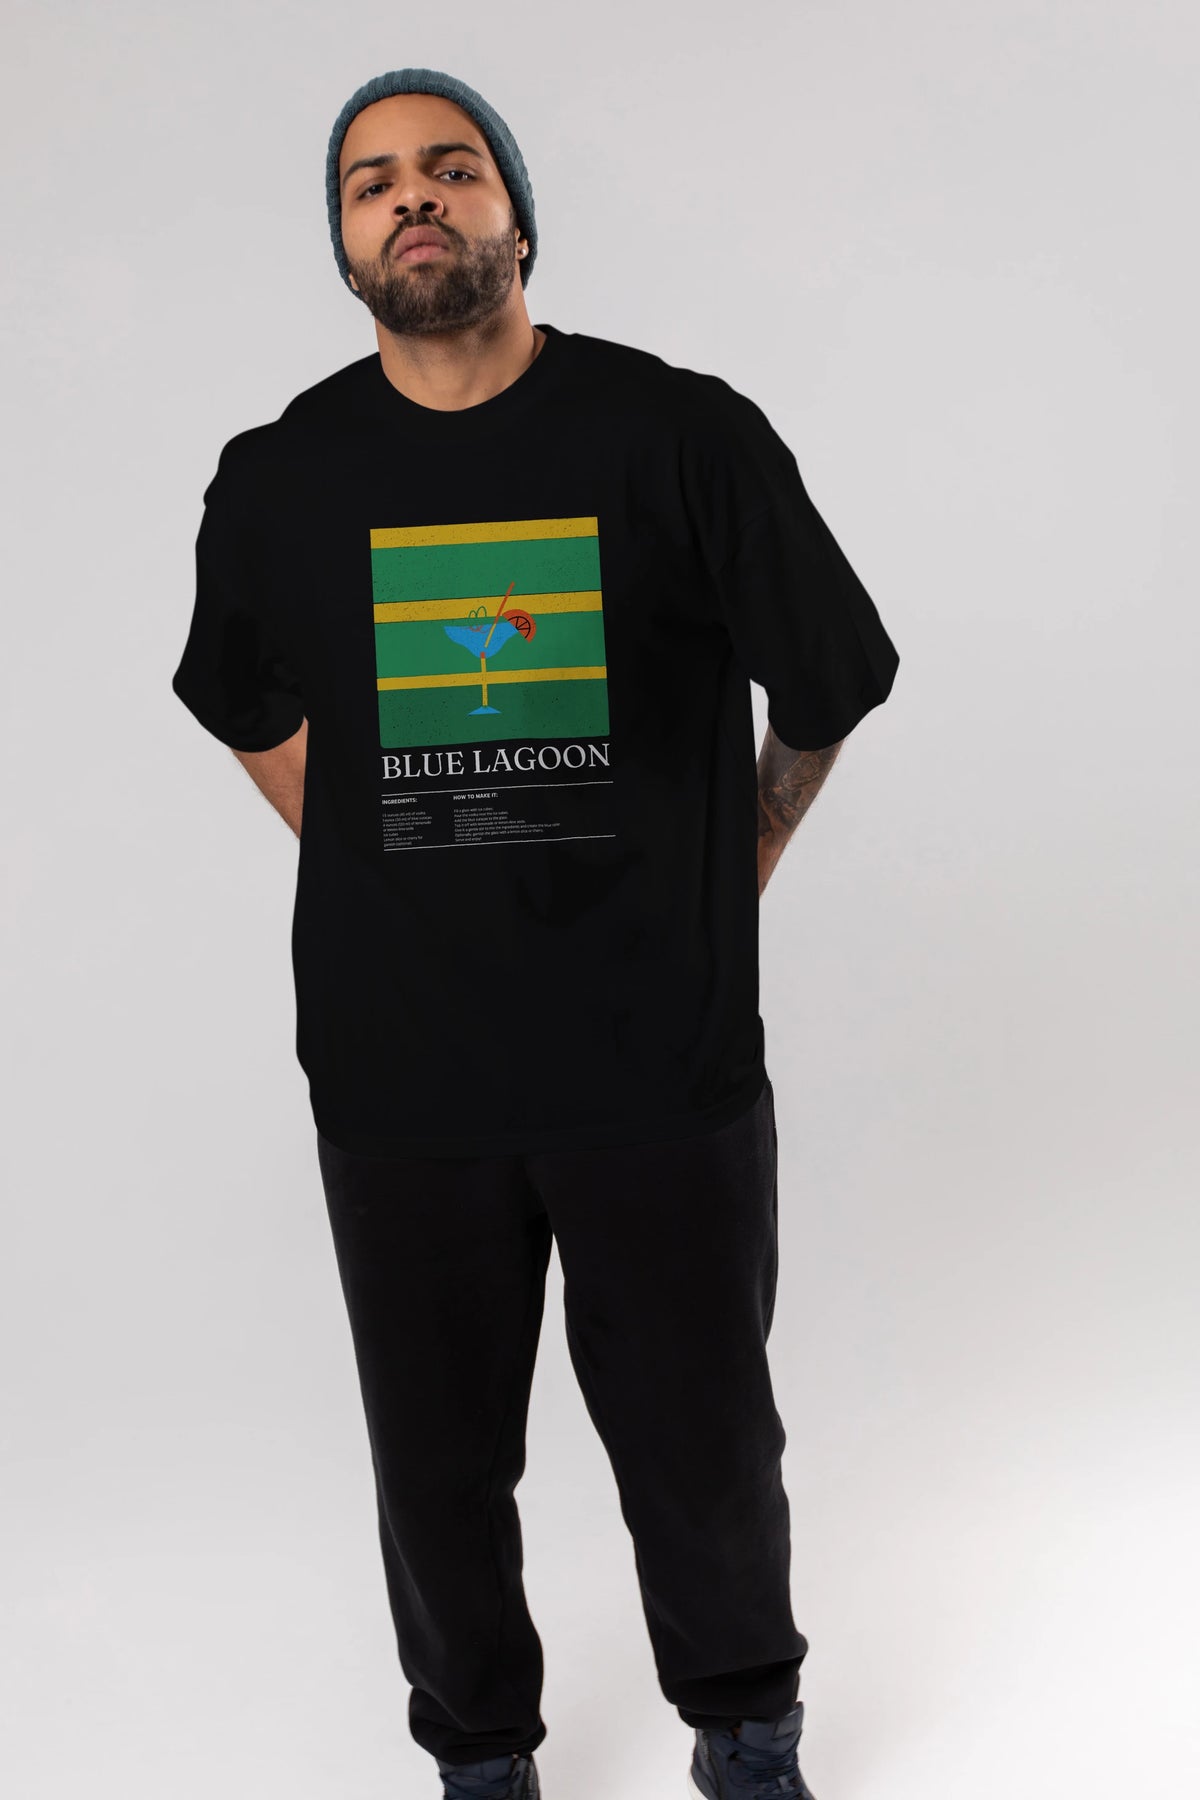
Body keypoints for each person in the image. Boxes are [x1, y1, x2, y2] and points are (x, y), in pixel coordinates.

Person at [171, 65, 899, 1800]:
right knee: (435, 1467)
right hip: (402, 1074)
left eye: (452, 167)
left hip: (660, 1060)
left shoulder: (680, 436)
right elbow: (244, 702)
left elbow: (828, 677)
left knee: (703, 1442)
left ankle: (747, 1730)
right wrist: (376, 854)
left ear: (516, 214)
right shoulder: (279, 477)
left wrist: (746, 853)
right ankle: (481, 1758)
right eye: (371, 183)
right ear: (345, 243)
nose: (413, 197)